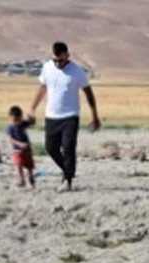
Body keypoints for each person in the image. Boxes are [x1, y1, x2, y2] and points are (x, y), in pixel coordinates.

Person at [29, 42, 102, 192]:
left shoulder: (77, 72)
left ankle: (67, 180)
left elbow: (89, 93)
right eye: (55, 60)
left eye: (60, 60)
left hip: (70, 115)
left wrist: (95, 115)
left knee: (68, 148)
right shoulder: (47, 68)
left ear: (67, 56)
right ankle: (68, 170)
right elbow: (42, 88)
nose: (57, 63)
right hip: (51, 115)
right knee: (50, 148)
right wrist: (32, 108)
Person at [6, 106, 36, 188]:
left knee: (29, 165)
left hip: (27, 149)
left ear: (21, 117)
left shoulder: (23, 124)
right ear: (10, 118)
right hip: (17, 151)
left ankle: (31, 178)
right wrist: (19, 144)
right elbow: (10, 139)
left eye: (18, 120)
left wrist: (32, 117)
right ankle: (21, 179)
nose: (17, 122)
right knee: (19, 165)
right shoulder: (10, 127)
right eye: (14, 120)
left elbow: (33, 123)